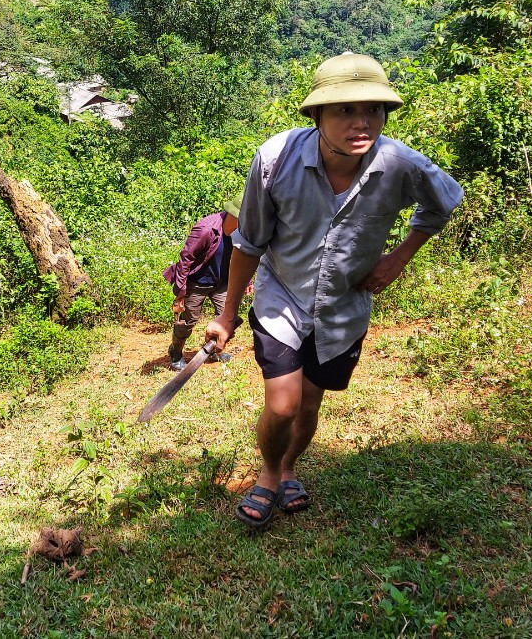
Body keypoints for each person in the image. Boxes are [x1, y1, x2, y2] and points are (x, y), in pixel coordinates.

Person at [205, 53, 464, 528]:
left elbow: (444, 201)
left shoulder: (401, 164)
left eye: (373, 109)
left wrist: (398, 257)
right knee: (282, 405)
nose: (361, 122)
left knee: (309, 402)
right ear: (317, 115)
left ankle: (288, 468)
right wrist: (225, 317)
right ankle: (267, 474)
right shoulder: (276, 160)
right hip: (282, 296)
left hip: (344, 307)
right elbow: (249, 242)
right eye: (344, 110)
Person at [162, 193, 243, 371]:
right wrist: (180, 292)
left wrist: (248, 280)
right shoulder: (206, 228)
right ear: (234, 214)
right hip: (196, 282)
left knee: (228, 317)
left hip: (220, 282)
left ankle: (213, 349)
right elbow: (186, 259)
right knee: (188, 321)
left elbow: (244, 256)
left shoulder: (243, 232)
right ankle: (175, 351)